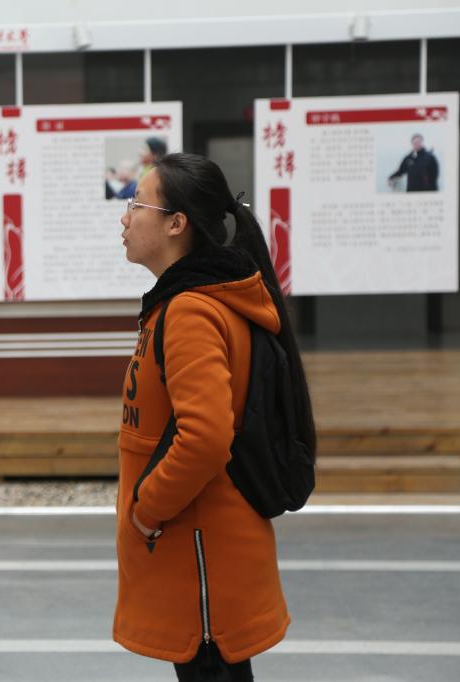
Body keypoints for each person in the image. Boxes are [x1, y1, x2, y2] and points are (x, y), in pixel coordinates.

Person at [114, 153, 316, 681]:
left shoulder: (190, 311)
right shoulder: (182, 303)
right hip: (198, 557)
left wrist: (146, 511)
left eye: (137, 204)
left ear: (176, 223)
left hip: (200, 558)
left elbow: (204, 438)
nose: (124, 217)